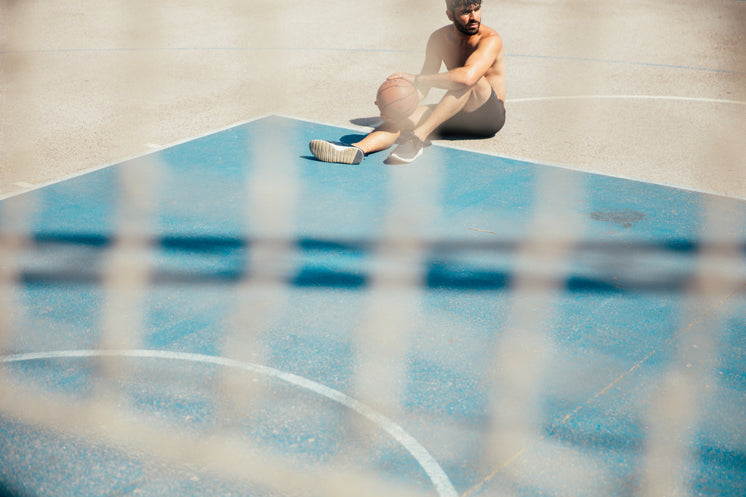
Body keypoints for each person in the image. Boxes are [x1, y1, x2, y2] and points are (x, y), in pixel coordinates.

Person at [309, 0, 505, 165]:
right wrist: (396, 103)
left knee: (470, 79)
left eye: (476, 9)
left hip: (487, 117)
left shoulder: (490, 39)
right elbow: (423, 89)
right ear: (449, 14)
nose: (474, 17)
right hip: (457, 112)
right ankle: (357, 150)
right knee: (400, 116)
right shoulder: (439, 39)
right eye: (465, 12)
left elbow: (467, 77)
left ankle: (416, 140)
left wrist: (416, 79)